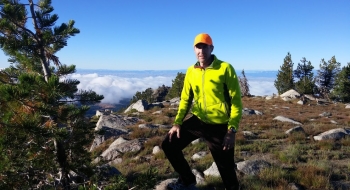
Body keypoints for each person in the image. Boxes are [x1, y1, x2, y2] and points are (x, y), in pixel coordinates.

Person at [161, 33, 242, 190]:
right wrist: (177, 123)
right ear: (194, 50)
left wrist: (231, 130)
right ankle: (188, 180)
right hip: (198, 121)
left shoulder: (225, 68)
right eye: (198, 47)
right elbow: (185, 99)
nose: (201, 51)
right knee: (169, 145)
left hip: (220, 126)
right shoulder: (191, 71)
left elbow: (236, 101)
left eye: (205, 46)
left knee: (227, 173)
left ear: (211, 48)